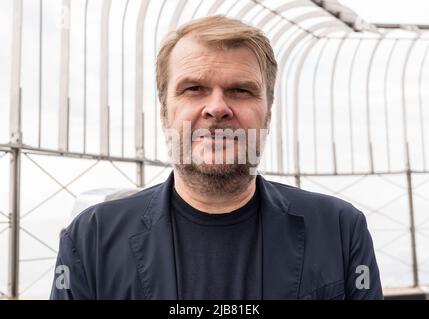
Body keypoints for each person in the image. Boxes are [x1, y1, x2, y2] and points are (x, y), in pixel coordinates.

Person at [50, 15, 383, 300]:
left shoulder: (340, 230)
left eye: (241, 90)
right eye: (193, 88)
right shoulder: (90, 239)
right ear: (165, 112)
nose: (218, 108)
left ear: (267, 114)